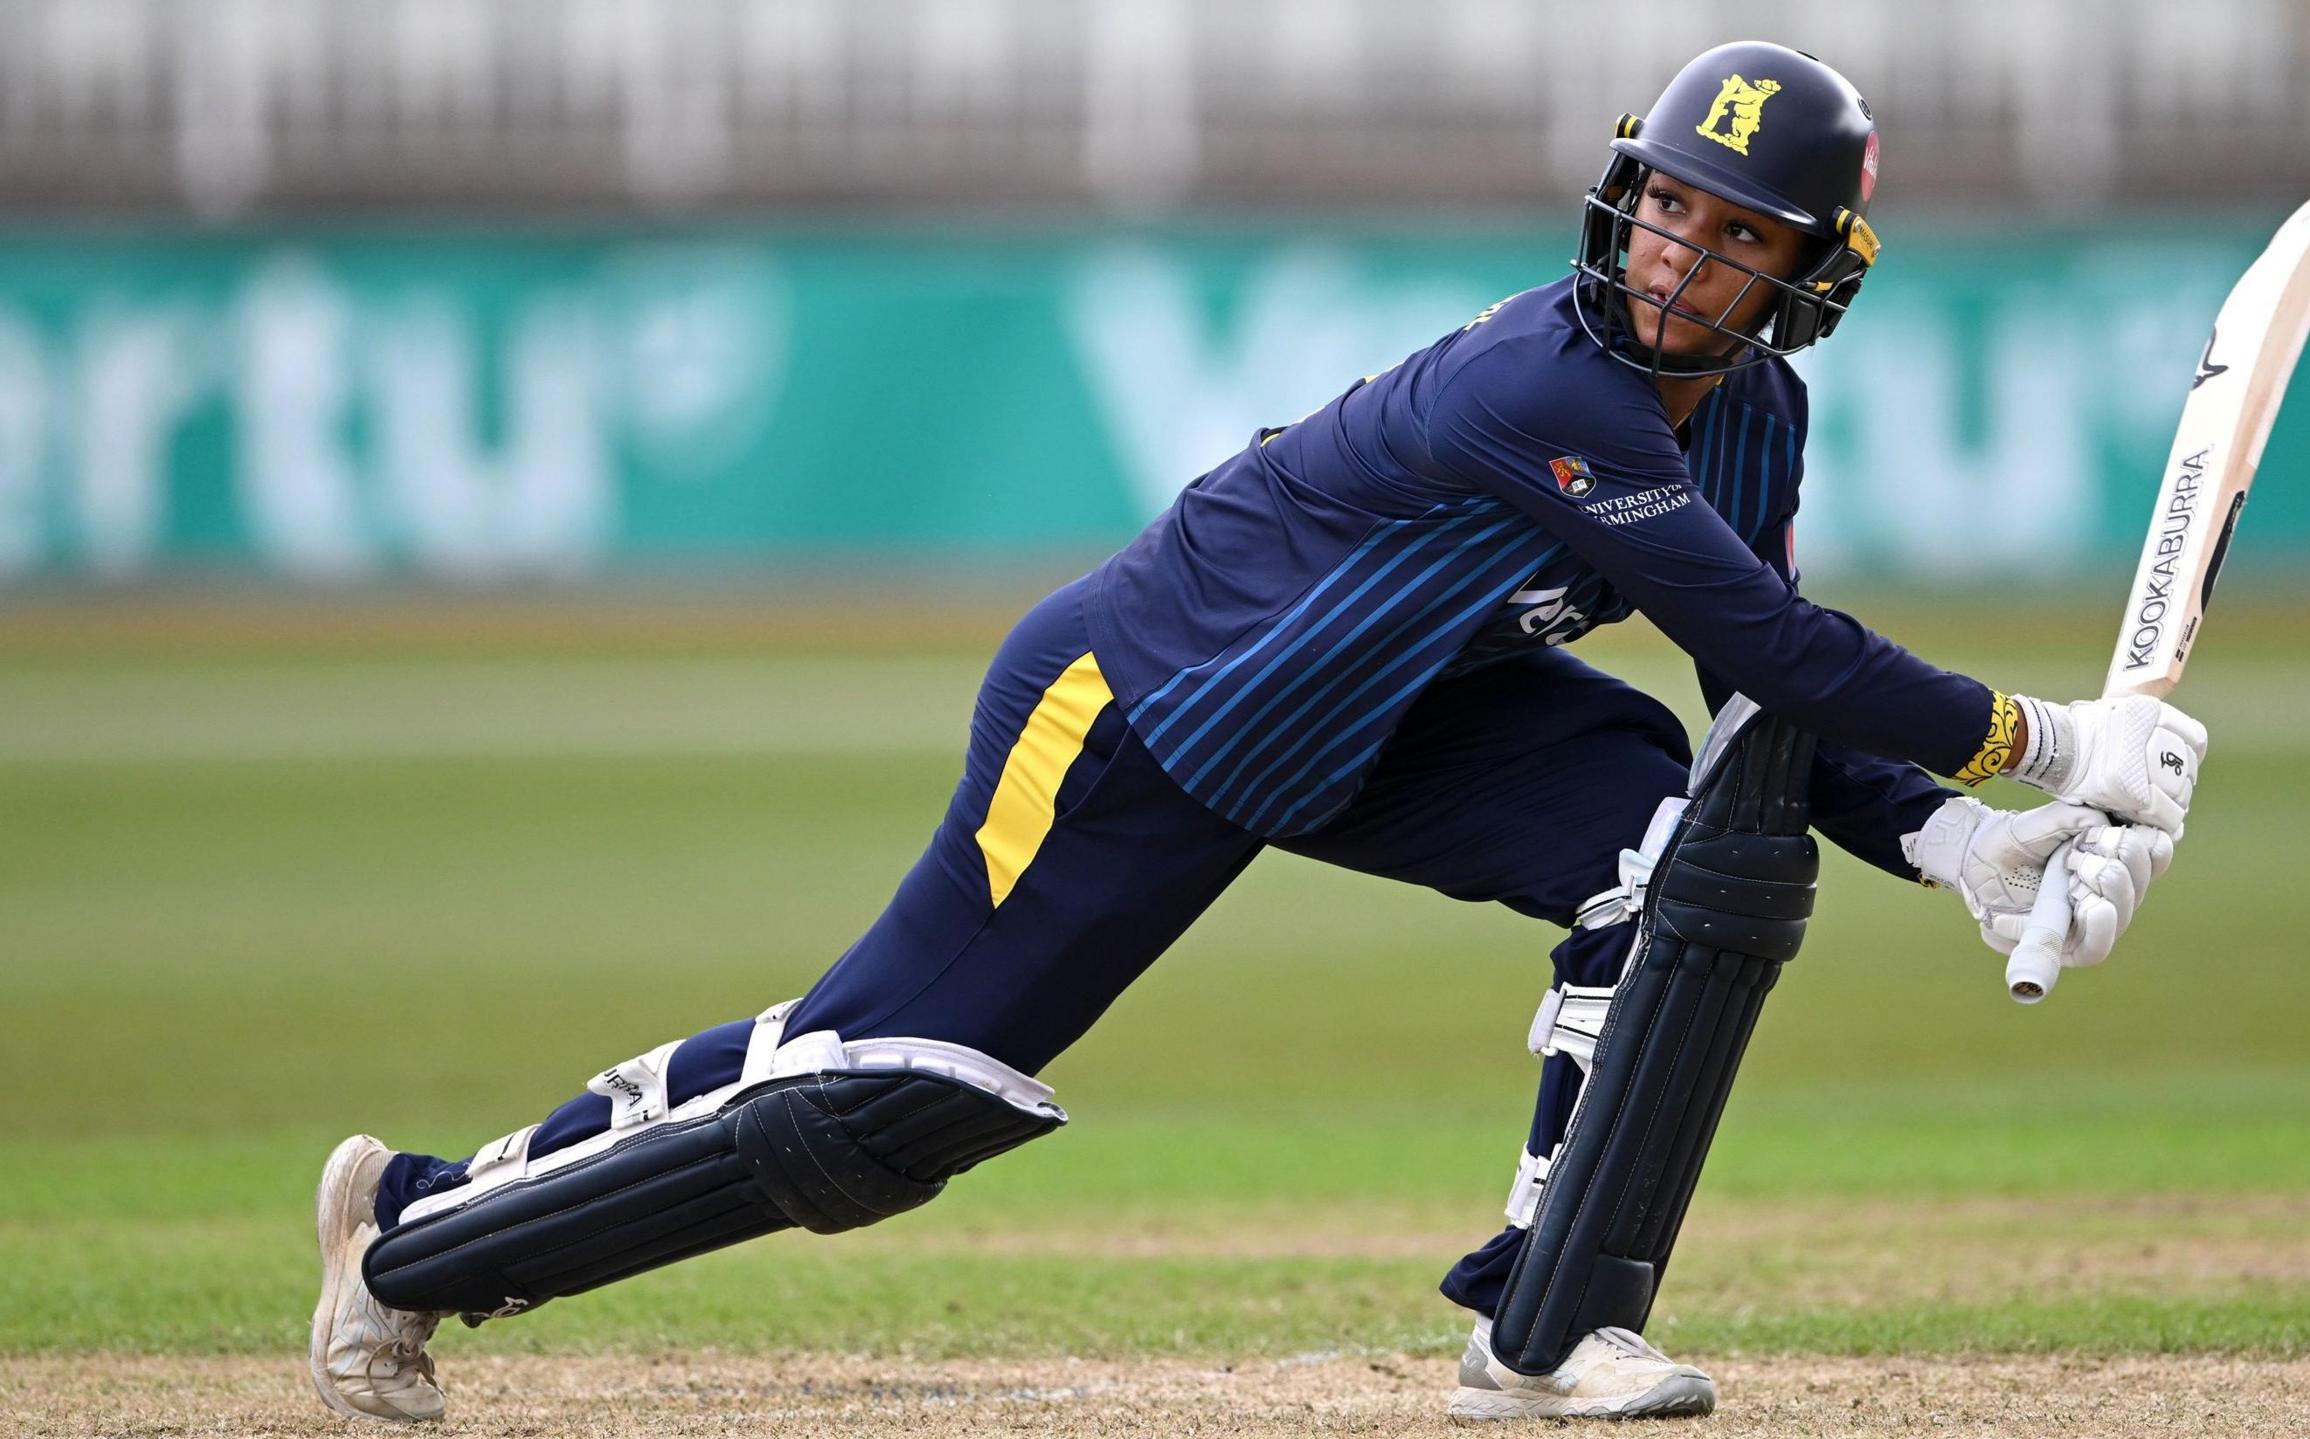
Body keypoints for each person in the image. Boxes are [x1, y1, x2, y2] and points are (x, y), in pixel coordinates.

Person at [310, 40, 2198, 1425]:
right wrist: (2045, 744)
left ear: (1813, 271)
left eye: (1735, 237)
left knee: (1683, 852)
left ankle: (1543, 1329)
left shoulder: (1755, 419)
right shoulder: (1544, 384)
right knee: (890, 1094)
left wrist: (1963, 842)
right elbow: (1768, 631)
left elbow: (1763, 692)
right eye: (1668, 212)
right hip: (1145, 711)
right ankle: (412, 1235)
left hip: (1398, 720)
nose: (1677, 262)